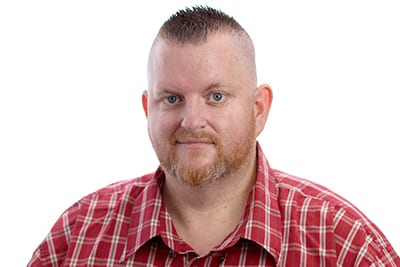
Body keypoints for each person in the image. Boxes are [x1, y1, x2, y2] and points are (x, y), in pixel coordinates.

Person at [28, 6, 399, 267]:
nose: (192, 120)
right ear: (148, 109)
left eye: (215, 97)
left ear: (259, 108)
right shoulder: (77, 236)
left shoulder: (344, 243)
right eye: (171, 99)